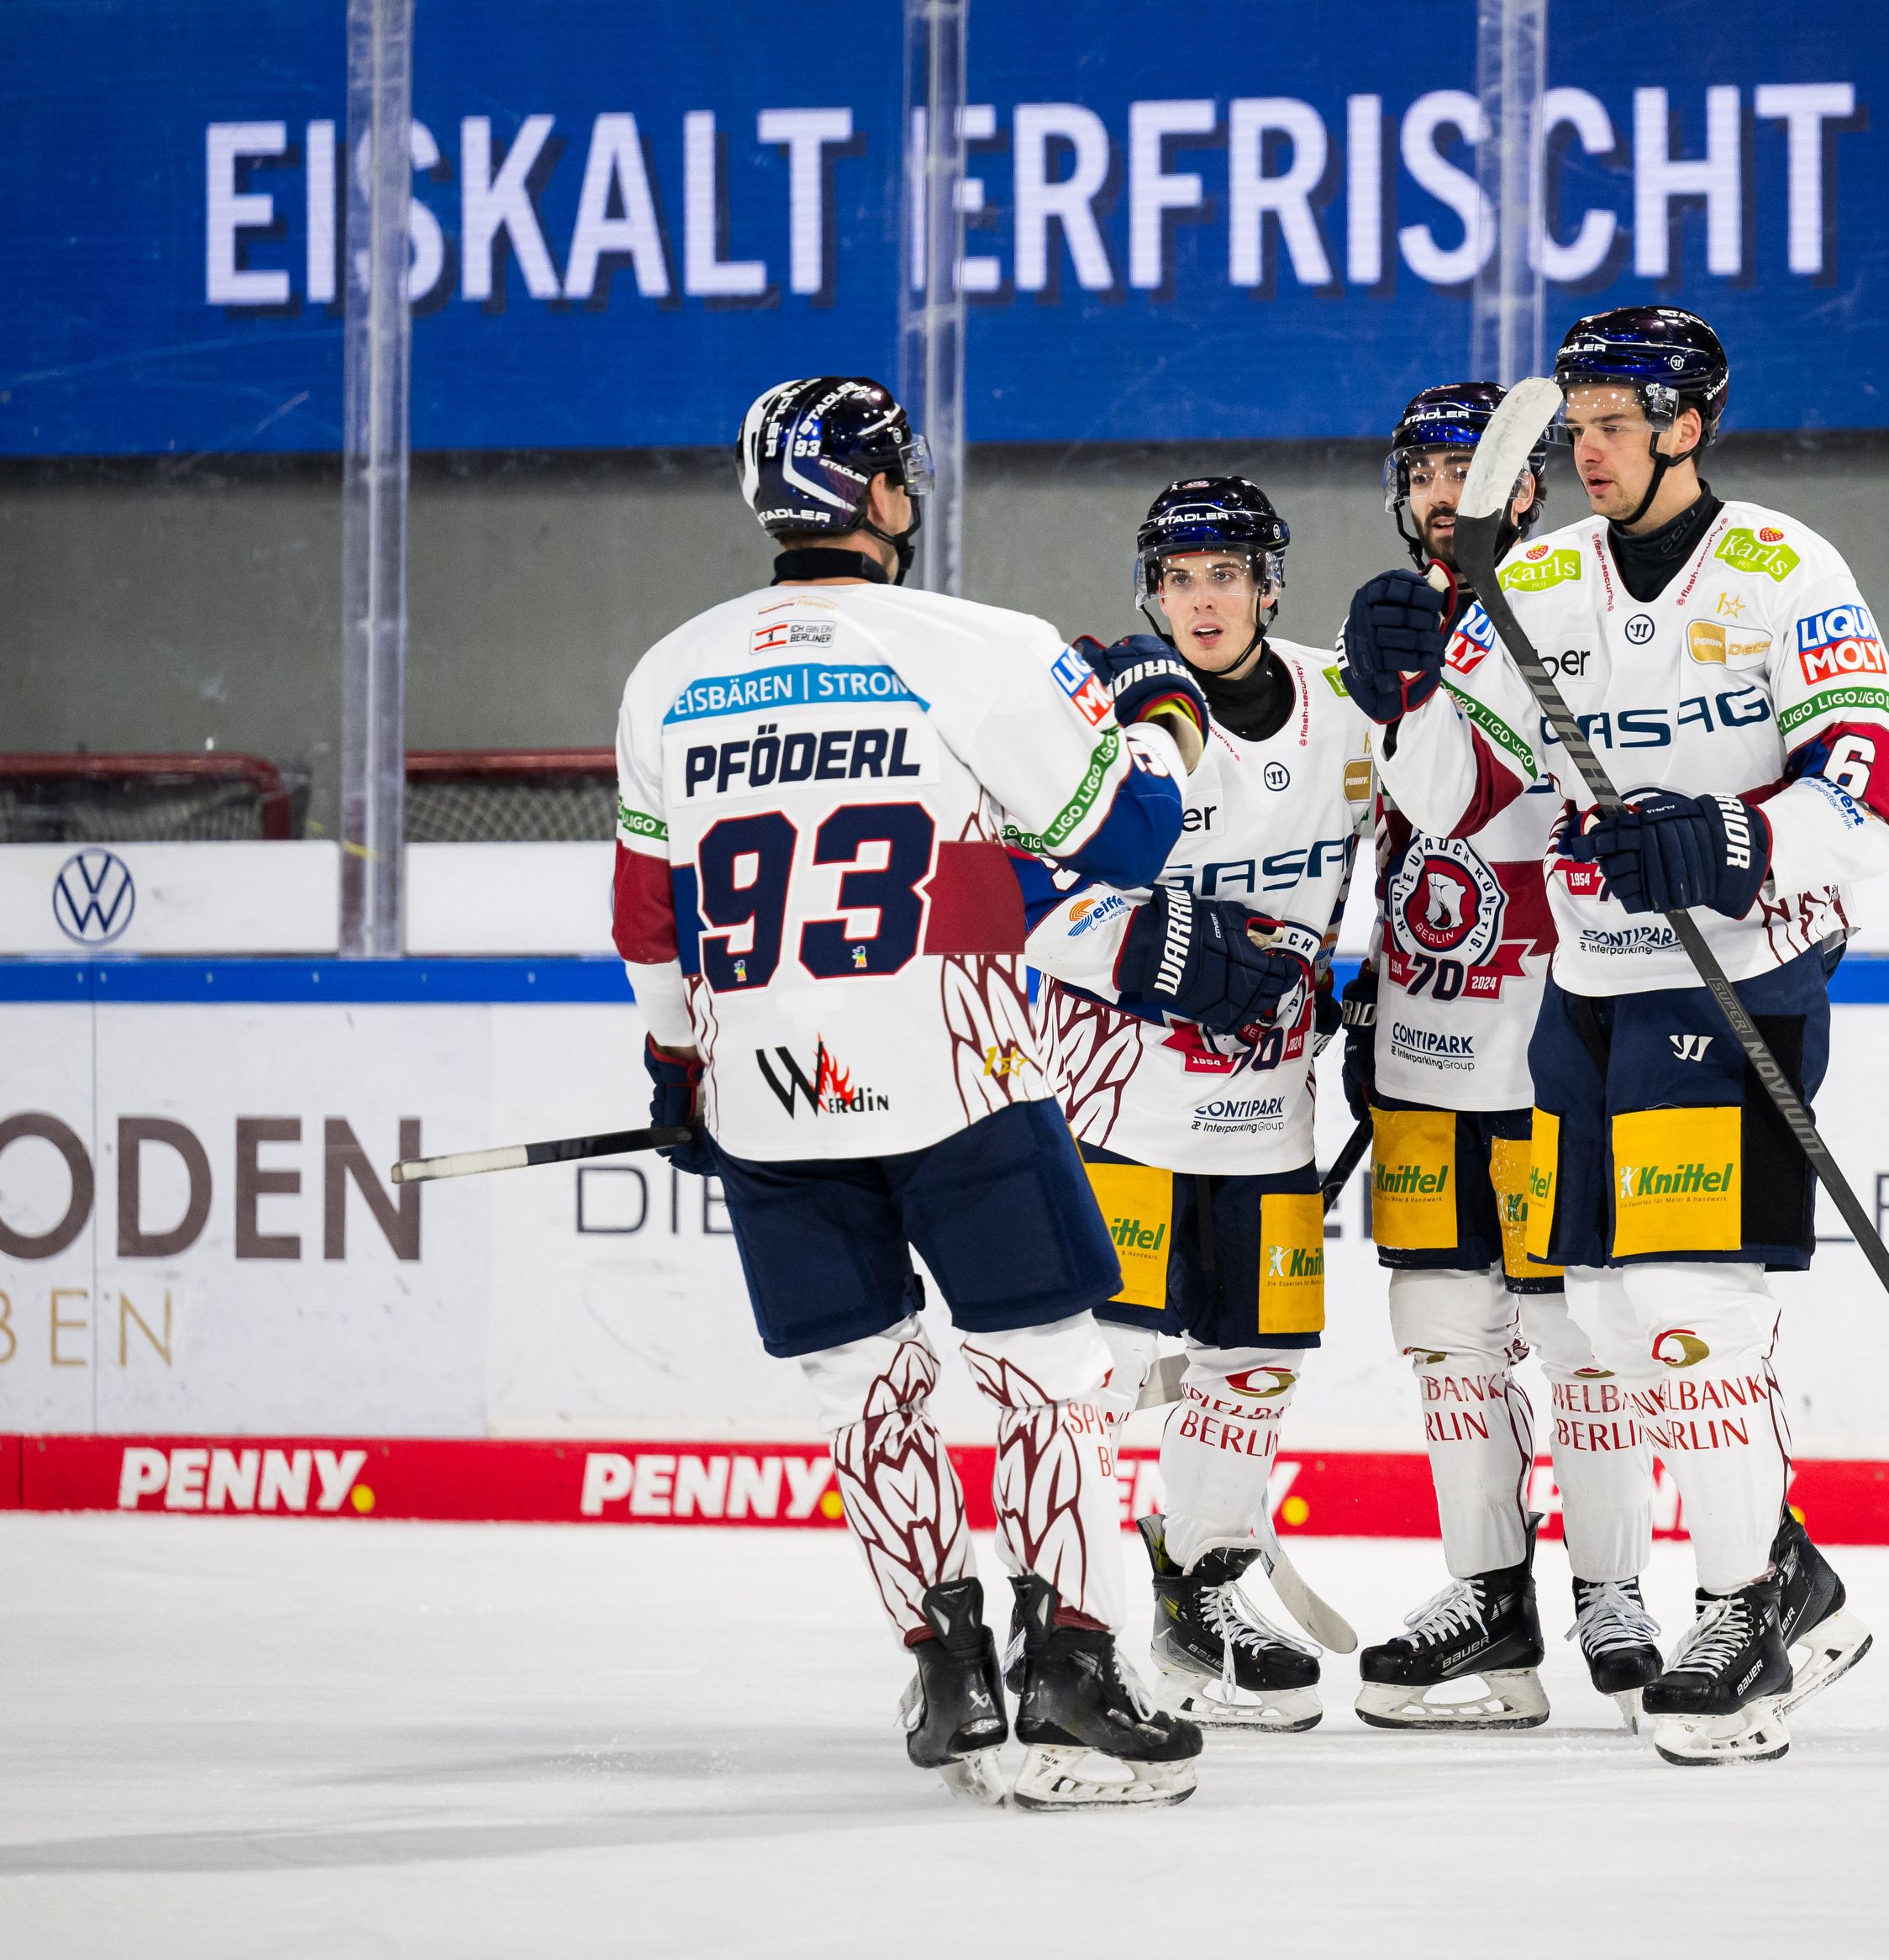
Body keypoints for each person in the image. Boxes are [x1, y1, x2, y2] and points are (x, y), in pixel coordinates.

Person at [609, 377, 1212, 1809]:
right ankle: (1066, 1662)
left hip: (765, 1091)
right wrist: (1161, 717)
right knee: (1053, 1373)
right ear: (878, 494)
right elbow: (1126, 838)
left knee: (862, 1385)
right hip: (953, 1077)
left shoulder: (665, 673)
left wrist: (679, 1067)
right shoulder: (973, 647)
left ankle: (946, 1659)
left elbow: (649, 922)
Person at [1343, 311, 1889, 1764]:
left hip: (1732, 989)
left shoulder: (1785, 569)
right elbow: (1465, 792)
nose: (1583, 450)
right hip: (1583, 998)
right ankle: (1787, 1571)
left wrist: (1725, 839)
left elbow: (1867, 808)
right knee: (1597, 1317)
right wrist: (1401, 689)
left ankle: (1743, 1595)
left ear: (1688, 424)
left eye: (1611, 422)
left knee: (1685, 1302)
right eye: (1573, 422)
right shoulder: (1541, 579)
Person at [1336, 385, 1667, 1733]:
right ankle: (1489, 1601)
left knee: (1574, 1331)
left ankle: (1614, 1590)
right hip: (1421, 1037)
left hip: (1547, 1039)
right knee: (1445, 1341)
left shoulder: (1577, 613)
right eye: (1428, 469)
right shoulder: (1378, 631)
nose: (1449, 491)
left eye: (1478, 470)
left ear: (1531, 486)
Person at [1020, 477, 1372, 1731]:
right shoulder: (1110, 723)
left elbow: (1429, 836)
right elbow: (1018, 888)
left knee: (1254, 1364)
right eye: (1175, 580)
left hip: (1273, 1107)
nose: (1200, 602)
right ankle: (1063, 1620)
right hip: (1121, 1108)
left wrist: (1399, 985)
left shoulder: (1344, 705)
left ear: (1270, 585)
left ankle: (1201, 1593)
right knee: (1101, 1378)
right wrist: (1157, 953)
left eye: (1224, 575)